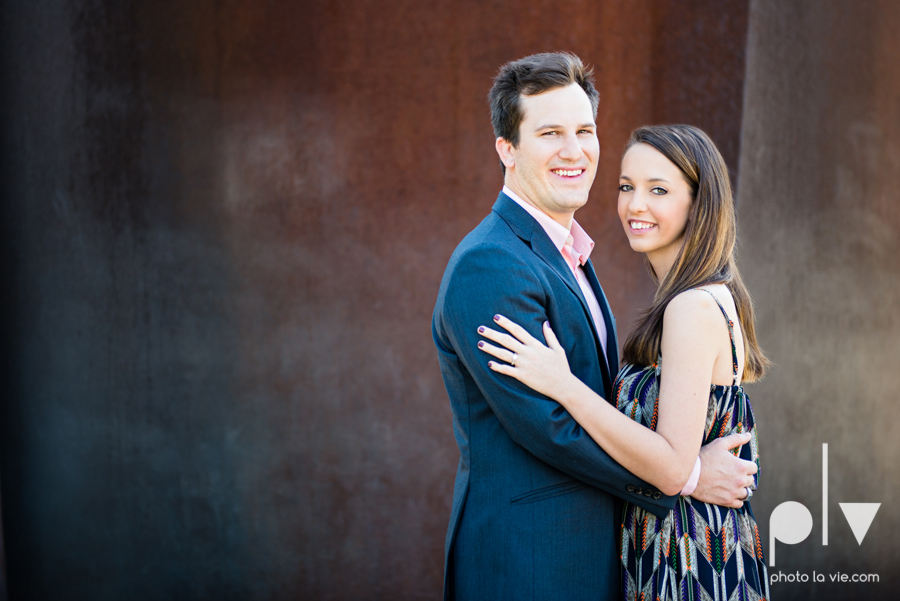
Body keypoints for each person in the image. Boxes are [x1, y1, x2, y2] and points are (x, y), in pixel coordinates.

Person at [432, 52, 757, 601]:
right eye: (550, 132)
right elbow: (551, 426)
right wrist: (688, 475)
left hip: (599, 558)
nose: (573, 150)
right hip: (531, 562)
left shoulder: (572, 258)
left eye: (584, 130)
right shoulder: (489, 264)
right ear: (506, 149)